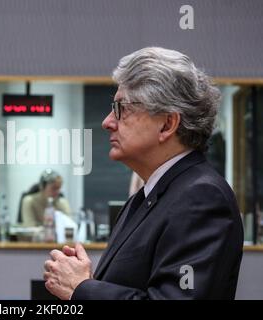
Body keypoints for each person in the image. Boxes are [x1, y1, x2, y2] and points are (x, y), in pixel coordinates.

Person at [43, 47, 243, 300]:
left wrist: (83, 288)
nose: (107, 122)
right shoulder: (150, 195)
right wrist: (87, 282)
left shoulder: (201, 198)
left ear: (167, 124)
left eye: (122, 108)